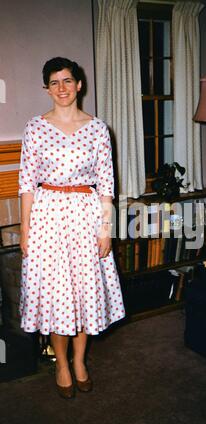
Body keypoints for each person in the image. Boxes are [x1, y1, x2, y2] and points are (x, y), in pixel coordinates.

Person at [19, 57, 126, 399]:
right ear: (46, 88)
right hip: (47, 218)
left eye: (68, 80)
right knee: (57, 297)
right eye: (54, 82)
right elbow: (26, 185)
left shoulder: (98, 129)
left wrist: (106, 230)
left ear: (79, 84)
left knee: (84, 295)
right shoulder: (35, 128)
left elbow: (108, 186)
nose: (62, 88)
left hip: (87, 216)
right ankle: (61, 364)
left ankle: (80, 361)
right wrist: (25, 231)